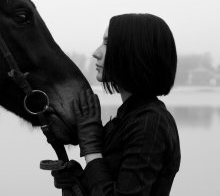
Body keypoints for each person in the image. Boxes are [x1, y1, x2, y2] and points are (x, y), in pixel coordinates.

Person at [52, 13, 181, 196]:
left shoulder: (150, 123)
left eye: (107, 43)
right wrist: (79, 181)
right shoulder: (127, 119)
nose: (96, 53)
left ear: (133, 51)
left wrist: (92, 150)